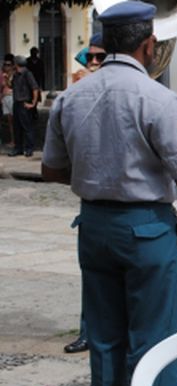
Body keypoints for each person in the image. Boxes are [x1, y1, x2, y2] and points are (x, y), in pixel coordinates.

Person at [41, 0, 177, 386]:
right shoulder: (157, 98)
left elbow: (51, 170)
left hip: (94, 226)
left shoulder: (72, 96)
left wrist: (99, 172)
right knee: (155, 341)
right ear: (149, 44)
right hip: (145, 231)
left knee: (104, 341)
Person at [63, 32, 106, 355]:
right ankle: (89, 331)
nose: (92, 64)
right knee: (93, 280)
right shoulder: (77, 95)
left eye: (100, 58)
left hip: (133, 203)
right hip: (93, 203)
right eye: (89, 57)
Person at [9, 55, 40, 157]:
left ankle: (29, 148)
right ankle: (18, 148)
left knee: (27, 127)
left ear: (16, 64)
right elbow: (11, 85)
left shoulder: (27, 74)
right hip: (16, 103)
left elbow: (35, 88)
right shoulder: (16, 74)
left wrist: (33, 103)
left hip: (24, 103)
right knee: (17, 127)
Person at [2, 55, 14, 149]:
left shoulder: (14, 75)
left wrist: (6, 79)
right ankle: (12, 140)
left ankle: (15, 141)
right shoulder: (3, 74)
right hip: (5, 97)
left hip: (11, 97)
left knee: (14, 120)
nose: (7, 66)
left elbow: (11, 85)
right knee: (9, 120)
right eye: (5, 64)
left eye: (9, 65)